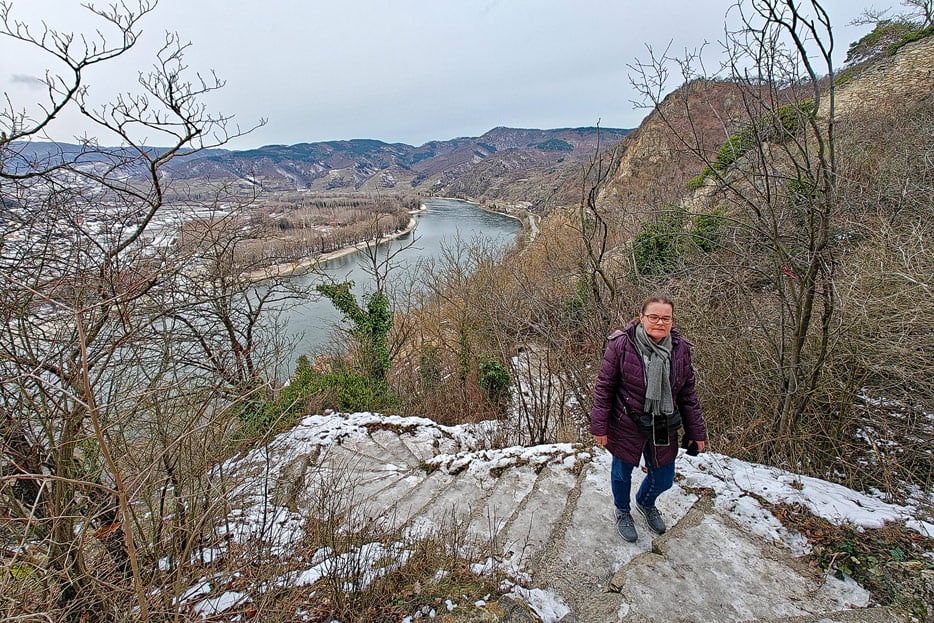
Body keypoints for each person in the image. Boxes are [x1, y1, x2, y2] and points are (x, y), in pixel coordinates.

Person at [590, 295, 707, 542]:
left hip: (663, 421)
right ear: (642, 317)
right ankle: (622, 511)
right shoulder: (622, 344)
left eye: (666, 318)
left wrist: (696, 432)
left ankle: (645, 502)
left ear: (672, 321)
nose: (659, 322)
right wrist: (599, 426)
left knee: (664, 477)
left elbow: (687, 393)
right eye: (653, 317)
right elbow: (604, 388)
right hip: (627, 422)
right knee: (622, 474)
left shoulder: (680, 349)